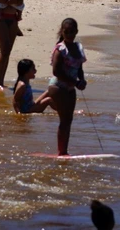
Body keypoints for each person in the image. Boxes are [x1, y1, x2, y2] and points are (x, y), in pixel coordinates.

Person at [46, 17, 87, 157]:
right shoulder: (60, 49)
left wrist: (82, 80)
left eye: (72, 31)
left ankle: (64, 151)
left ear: (76, 32)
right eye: (66, 32)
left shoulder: (78, 47)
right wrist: (75, 82)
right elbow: (56, 72)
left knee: (69, 120)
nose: (69, 34)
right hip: (58, 86)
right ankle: (61, 152)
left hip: (70, 87)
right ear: (62, 32)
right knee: (64, 120)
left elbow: (79, 68)